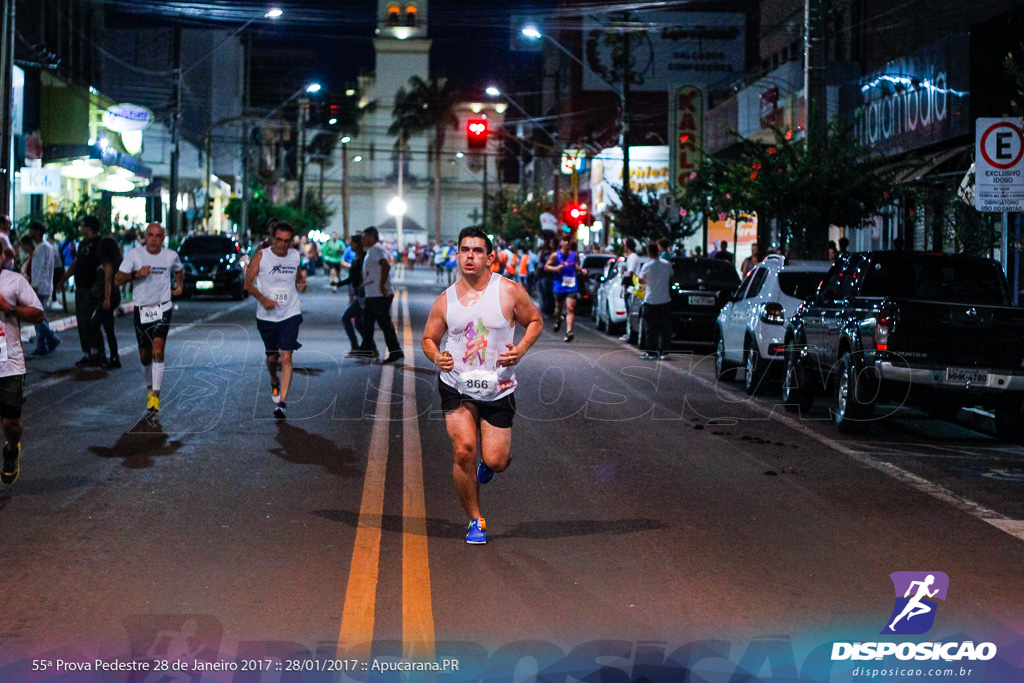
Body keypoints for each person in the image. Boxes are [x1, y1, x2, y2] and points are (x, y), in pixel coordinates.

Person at [421, 227, 543, 544]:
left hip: (498, 388)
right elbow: (428, 339)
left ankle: (487, 468)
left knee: (496, 460)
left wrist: (521, 349)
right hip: (456, 385)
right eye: (465, 250)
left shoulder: (509, 291)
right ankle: (476, 521)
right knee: (464, 451)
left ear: (490, 257)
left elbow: (535, 320)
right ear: (458, 255)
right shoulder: (445, 300)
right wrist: (437, 357)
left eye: (477, 250)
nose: (470, 256)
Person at [115, 222, 184, 413]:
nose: (154, 239)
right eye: (150, 235)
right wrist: (137, 274)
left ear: (163, 238)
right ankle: (149, 386)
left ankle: (155, 395)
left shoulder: (171, 256)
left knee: (158, 350)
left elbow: (179, 270)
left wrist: (179, 285)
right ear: (145, 236)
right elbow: (118, 279)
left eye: (158, 236)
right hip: (142, 310)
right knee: (145, 356)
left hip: (163, 307)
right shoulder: (135, 255)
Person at [244, 221, 307, 419]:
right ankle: (274, 381)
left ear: (291, 241)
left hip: (290, 313)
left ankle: (282, 403)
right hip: (267, 316)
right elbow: (248, 283)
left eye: (286, 241)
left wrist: (302, 283)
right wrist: (263, 299)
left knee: (287, 357)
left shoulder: (295, 256)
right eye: (279, 240)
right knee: (272, 358)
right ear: (273, 239)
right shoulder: (262, 256)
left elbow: (298, 277)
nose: (282, 244)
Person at [0, 266, 45, 485]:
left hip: (9, 363)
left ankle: (11, 450)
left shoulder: (14, 281)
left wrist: (8, 308)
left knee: (10, 422)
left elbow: (38, 313)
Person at [58, 215, 103, 367]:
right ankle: (87, 353)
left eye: (83, 225)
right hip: (81, 286)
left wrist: (99, 283)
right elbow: (76, 263)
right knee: (82, 321)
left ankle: (97, 352)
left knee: (91, 321)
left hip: (92, 287)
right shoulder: (83, 243)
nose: (81, 228)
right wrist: (64, 279)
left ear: (89, 227)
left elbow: (106, 265)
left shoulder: (100, 243)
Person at [357, 226, 403, 363]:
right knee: (368, 322)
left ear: (372, 237)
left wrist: (382, 285)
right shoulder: (372, 250)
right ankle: (367, 348)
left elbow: (385, 265)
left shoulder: (376, 249)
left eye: (365, 237)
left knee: (384, 325)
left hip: (379, 295)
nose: (363, 240)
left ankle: (395, 352)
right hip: (372, 294)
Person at [23, 224, 61, 356]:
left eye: (32, 229)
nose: (30, 232)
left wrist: (35, 286)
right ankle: (42, 345)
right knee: (39, 316)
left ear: (38, 231)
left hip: (40, 287)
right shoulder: (42, 247)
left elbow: (41, 269)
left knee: (36, 317)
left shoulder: (43, 248)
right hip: (42, 286)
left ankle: (51, 338)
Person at [545, 237, 586, 343]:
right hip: (559, 285)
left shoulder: (574, 255)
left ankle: (569, 332)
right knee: (558, 309)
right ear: (561, 242)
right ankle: (558, 319)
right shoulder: (555, 255)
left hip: (572, 285)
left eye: (569, 241)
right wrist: (555, 268)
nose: (567, 243)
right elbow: (546, 266)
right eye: (565, 241)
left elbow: (575, 266)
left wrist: (581, 270)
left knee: (570, 308)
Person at [92, 231, 124, 369]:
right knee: (108, 327)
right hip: (112, 295)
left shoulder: (108, 264)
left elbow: (108, 282)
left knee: (95, 325)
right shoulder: (113, 262)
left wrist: (106, 299)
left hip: (109, 296)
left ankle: (103, 355)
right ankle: (113, 357)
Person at [638, 243, 674, 360]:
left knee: (651, 328)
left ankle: (651, 352)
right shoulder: (667, 264)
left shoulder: (647, 266)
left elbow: (641, 281)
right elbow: (672, 278)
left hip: (651, 301)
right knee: (665, 328)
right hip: (665, 300)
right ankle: (664, 352)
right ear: (658, 251)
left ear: (649, 253)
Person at [337, 236, 365, 355]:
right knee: (358, 323)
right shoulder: (356, 258)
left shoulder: (363, 258)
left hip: (363, 293)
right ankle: (368, 347)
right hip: (358, 291)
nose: (350, 245)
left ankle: (357, 346)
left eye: (352, 243)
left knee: (346, 318)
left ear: (358, 244)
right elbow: (351, 278)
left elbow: (355, 277)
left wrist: (339, 283)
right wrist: (339, 283)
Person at [619, 238, 641, 342]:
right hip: (633, 287)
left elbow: (630, 272)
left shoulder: (632, 257)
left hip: (631, 288)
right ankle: (630, 333)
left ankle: (630, 334)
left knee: (630, 312)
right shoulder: (634, 257)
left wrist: (626, 286)